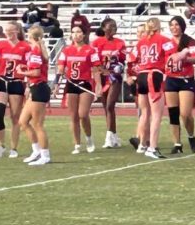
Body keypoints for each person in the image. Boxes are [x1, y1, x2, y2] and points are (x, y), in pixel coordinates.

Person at [127, 16, 175, 159]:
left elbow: (131, 59)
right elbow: (171, 57)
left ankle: (142, 144)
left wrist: (130, 74)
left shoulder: (141, 42)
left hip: (141, 75)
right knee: (156, 115)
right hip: (154, 75)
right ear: (159, 27)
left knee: (145, 112)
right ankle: (152, 147)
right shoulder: (165, 40)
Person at [56, 24, 101, 154]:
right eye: (74, 32)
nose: (76, 34)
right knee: (73, 116)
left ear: (84, 34)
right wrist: (57, 83)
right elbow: (60, 68)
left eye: (79, 31)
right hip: (71, 84)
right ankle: (77, 144)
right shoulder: (66, 50)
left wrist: (98, 85)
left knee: (83, 114)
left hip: (85, 84)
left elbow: (95, 69)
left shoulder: (90, 50)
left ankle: (89, 138)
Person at [0, 20, 30, 158]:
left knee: (15, 117)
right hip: (1, 81)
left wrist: (28, 85)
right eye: (7, 31)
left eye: (11, 30)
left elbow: (30, 67)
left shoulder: (25, 47)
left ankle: (14, 148)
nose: (8, 33)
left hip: (16, 82)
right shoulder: (0, 45)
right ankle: (1, 145)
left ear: (17, 31)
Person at [164, 15, 195, 154]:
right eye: (171, 25)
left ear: (182, 26)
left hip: (186, 79)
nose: (174, 27)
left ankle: (191, 136)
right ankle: (177, 144)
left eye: (177, 24)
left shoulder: (189, 41)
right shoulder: (166, 43)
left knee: (185, 113)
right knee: (173, 114)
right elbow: (163, 59)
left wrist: (184, 58)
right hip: (171, 79)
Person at [18, 26, 52, 166]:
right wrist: (27, 70)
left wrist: (22, 72)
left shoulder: (35, 51)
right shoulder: (37, 50)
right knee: (23, 122)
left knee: (37, 125)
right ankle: (36, 150)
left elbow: (36, 73)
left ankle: (45, 154)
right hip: (35, 88)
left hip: (39, 88)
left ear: (30, 37)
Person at [90, 17, 126, 148]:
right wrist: (101, 73)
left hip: (114, 77)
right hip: (102, 76)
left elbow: (123, 61)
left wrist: (118, 67)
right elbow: (94, 62)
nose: (113, 29)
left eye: (115, 26)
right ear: (104, 28)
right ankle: (114, 136)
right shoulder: (96, 43)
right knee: (106, 107)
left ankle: (108, 137)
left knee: (110, 105)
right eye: (110, 26)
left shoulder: (120, 42)